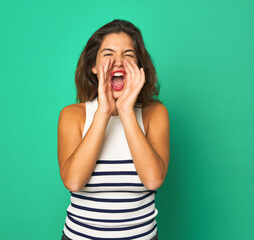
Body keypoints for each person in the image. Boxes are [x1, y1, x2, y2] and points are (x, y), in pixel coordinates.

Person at [57, 19, 170, 240]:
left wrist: (126, 111)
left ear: (139, 67)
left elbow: (154, 180)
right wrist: (103, 112)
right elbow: (73, 182)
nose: (118, 62)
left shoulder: (155, 113)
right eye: (108, 54)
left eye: (128, 55)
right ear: (94, 66)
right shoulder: (73, 115)